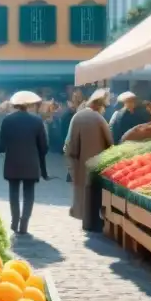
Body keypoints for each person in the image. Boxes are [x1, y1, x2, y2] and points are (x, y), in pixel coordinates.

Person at [0, 90, 49, 235]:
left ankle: (14, 221)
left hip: (12, 162)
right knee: (29, 193)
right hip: (31, 163)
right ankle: (24, 222)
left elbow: (1, 146)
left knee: (13, 192)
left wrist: (2, 149)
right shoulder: (37, 121)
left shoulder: (7, 120)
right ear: (29, 105)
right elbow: (44, 146)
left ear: (15, 105)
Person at [65, 89, 114, 231]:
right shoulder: (99, 119)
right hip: (98, 163)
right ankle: (93, 223)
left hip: (80, 163)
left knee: (83, 194)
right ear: (99, 106)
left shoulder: (77, 117)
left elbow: (69, 143)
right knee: (94, 194)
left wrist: (72, 161)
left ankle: (86, 222)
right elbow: (110, 142)